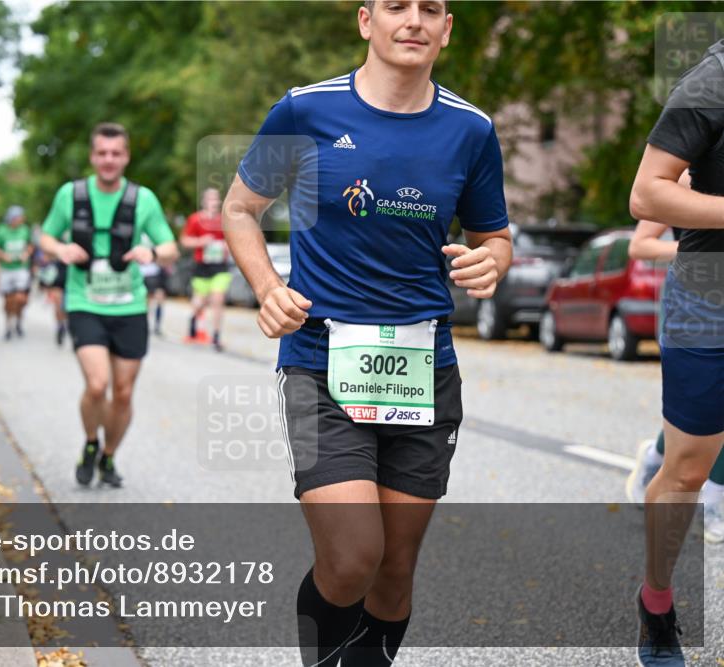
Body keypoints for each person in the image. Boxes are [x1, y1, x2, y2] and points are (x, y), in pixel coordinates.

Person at [223, 2, 510, 665]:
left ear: (446, 29)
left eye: (430, 9)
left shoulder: (471, 129)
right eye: (396, 6)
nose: (413, 20)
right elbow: (240, 207)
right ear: (365, 21)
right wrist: (269, 287)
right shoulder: (304, 110)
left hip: (422, 364)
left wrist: (491, 261)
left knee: (394, 569)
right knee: (354, 556)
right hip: (321, 360)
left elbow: (493, 234)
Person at [628, 38, 724, 667]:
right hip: (708, 303)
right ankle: (656, 601)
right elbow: (646, 197)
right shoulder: (711, 82)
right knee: (688, 472)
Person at [39, 122, 178, 488]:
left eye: (116, 153)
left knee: (125, 392)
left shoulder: (143, 199)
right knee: (98, 385)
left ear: (126, 157)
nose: (109, 160)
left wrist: (151, 251)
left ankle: (108, 455)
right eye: (102, 153)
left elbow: (170, 248)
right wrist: (59, 248)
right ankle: (89, 442)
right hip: (85, 301)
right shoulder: (70, 195)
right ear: (92, 156)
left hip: (129, 306)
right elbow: (46, 236)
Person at [624, 175, 724, 546]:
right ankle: (655, 457)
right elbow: (640, 246)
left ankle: (713, 499)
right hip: (692, 297)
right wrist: (695, 247)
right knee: (700, 402)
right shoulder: (685, 174)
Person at [181, 187, 230, 351]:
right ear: (203, 201)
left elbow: (233, 240)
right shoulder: (195, 219)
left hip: (219, 266)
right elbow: (185, 241)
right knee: (199, 303)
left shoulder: (224, 220)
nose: (213, 202)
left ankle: (216, 336)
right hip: (201, 266)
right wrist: (200, 241)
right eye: (210, 198)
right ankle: (193, 320)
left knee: (218, 299)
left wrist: (226, 245)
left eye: (216, 198)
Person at [0, 205, 34, 341]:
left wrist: (26, 254)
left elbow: (31, 245)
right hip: (6, 269)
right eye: (19, 217)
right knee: (8, 299)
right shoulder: (1, 230)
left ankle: (19, 320)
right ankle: (8, 324)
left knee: (21, 298)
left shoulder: (25, 230)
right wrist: (3, 256)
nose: (22, 219)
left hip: (21, 268)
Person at [37, 244, 70, 346]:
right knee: (59, 306)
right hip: (57, 286)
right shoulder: (50, 262)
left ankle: (65, 324)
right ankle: (60, 325)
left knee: (67, 309)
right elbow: (44, 276)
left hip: (70, 286)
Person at [139, 245, 168, 336]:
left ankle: (157, 326)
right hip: (142, 273)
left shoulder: (157, 238)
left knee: (160, 298)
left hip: (156, 274)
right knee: (146, 302)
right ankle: (144, 325)